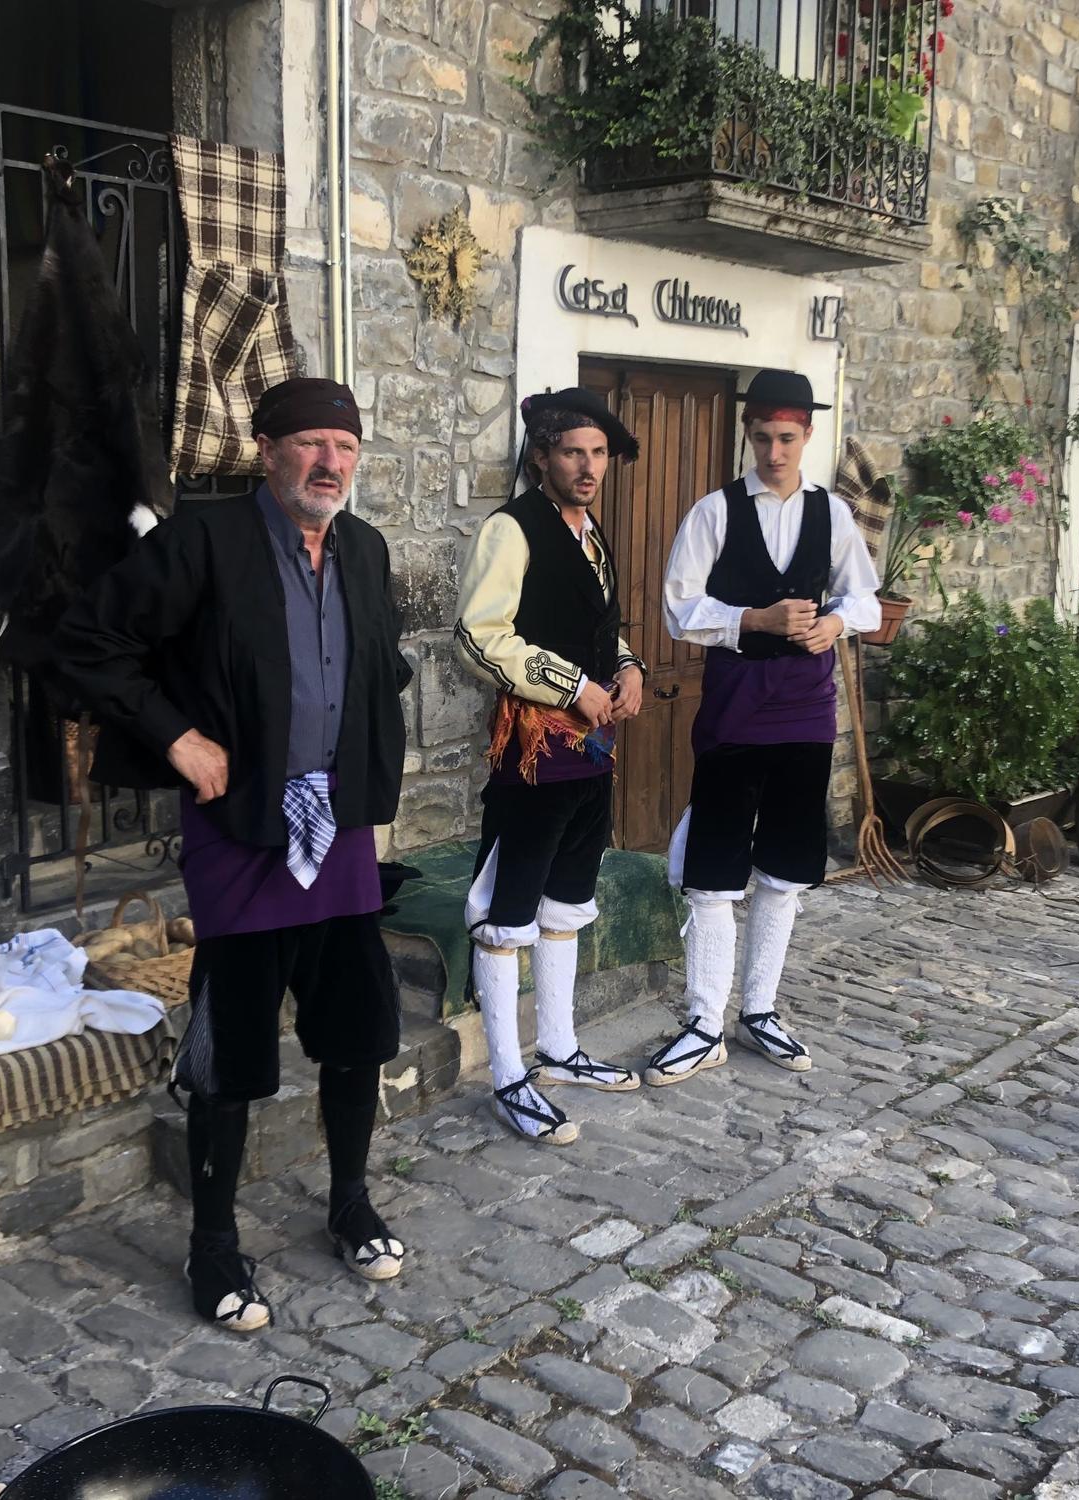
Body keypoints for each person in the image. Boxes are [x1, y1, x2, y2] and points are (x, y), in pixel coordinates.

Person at [52, 376, 411, 1333]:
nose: (328, 463)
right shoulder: (205, 540)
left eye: (344, 446)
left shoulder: (367, 553)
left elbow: (384, 663)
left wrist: (366, 764)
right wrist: (176, 736)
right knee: (231, 1053)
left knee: (356, 1033)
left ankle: (349, 1202)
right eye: (308, 445)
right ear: (265, 450)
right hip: (243, 830)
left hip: (338, 834)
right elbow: (87, 642)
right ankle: (213, 1243)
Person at [643, 368, 881, 1086]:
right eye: (761, 437)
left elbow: (866, 600)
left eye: (786, 437)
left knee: (784, 870)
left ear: (806, 436)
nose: (773, 451)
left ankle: (759, 1010)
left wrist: (834, 622)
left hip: (807, 713)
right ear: (746, 436)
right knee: (714, 873)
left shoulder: (833, 517)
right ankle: (702, 1022)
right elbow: (678, 607)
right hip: (736, 710)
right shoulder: (713, 513)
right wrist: (753, 620)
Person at [454, 389, 648, 1142]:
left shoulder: (592, 532)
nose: (589, 466)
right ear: (542, 456)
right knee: (508, 915)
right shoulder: (512, 529)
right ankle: (510, 1076)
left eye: (598, 453)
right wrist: (576, 686)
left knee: (566, 903)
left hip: (590, 755)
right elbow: (480, 636)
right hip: (533, 751)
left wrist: (626, 668)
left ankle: (561, 1051)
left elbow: (604, 630)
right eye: (574, 451)